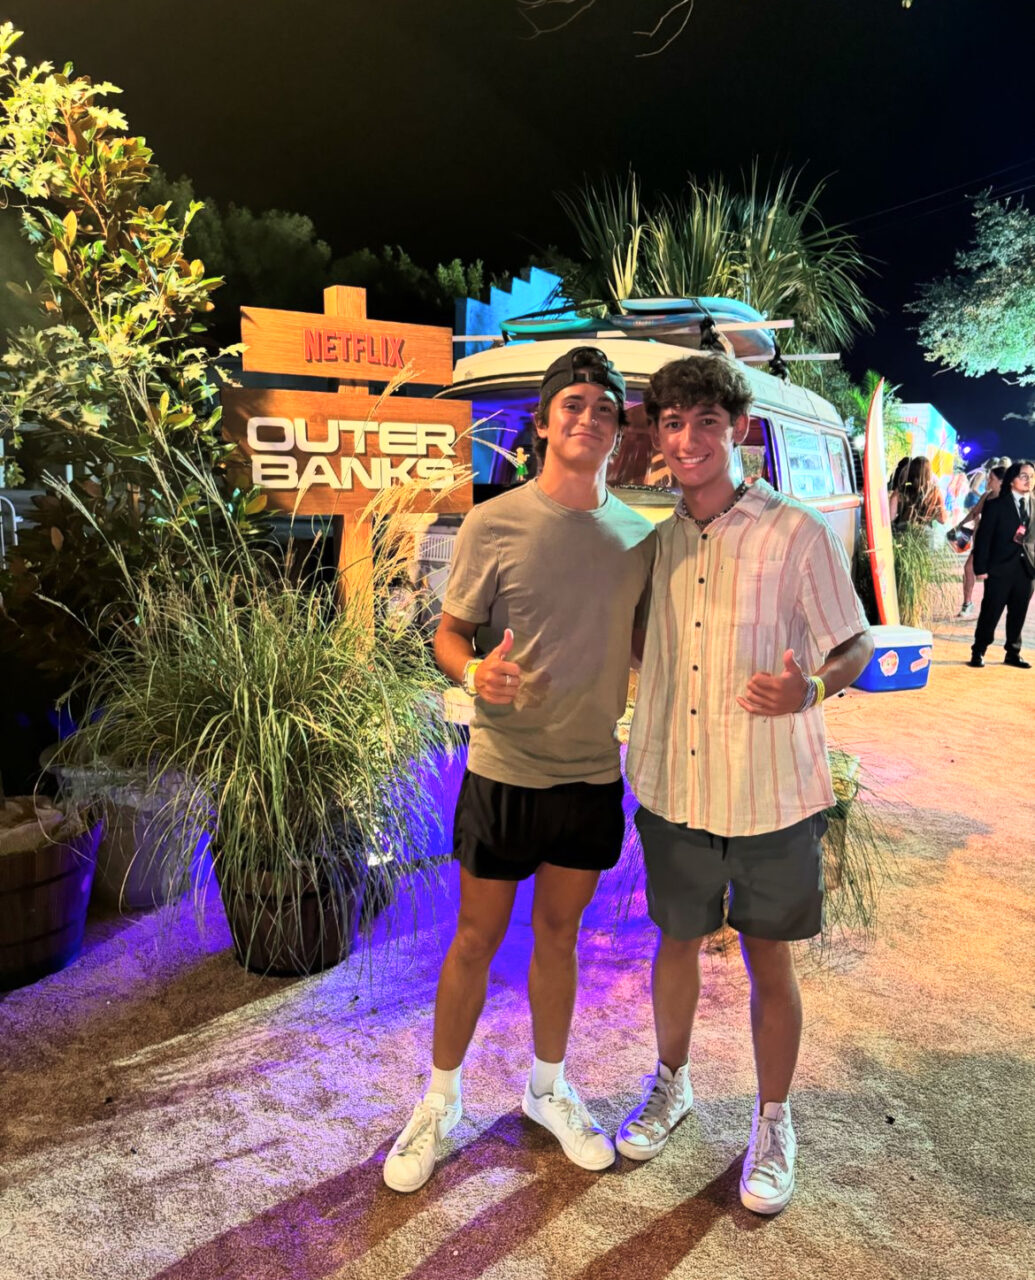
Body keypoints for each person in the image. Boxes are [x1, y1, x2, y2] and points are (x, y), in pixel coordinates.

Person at [383, 346, 655, 1193]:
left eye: (603, 409)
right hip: (503, 769)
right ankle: (441, 1098)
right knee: (474, 937)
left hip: (587, 774)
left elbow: (648, 645)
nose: (587, 419)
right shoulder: (491, 523)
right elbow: (447, 636)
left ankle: (546, 1089)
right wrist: (472, 673)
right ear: (543, 423)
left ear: (618, 431)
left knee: (560, 936)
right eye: (572, 405)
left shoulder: (638, 538)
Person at [619, 355, 873, 1215]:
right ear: (654, 434)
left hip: (768, 789)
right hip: (675, 787)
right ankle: (671, 1084)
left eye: (705, 422)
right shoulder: (648, 540)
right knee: (676, 943)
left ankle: (773, 1119)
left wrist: (811, 689)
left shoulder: (793, 533)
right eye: (671, 422)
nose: (687, 440)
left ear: (737, 429)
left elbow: (855, 644)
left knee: (771, 959)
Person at [968, 460, 1035, 669]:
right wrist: (981, 568)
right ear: (1012, 480)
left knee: (1018, 613)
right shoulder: (996, 505)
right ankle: (979, 650)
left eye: (1032, 476)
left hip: (1026, 570)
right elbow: (984, 539)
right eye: (1023, 476)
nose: (1028, 480)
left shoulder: (1034, 504)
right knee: (991, 611)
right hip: (999, 569)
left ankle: (1013, 652)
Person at [957, 466, 1004, 617]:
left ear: (1001, 481)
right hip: (982, 541)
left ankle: (990, 608)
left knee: (992, 578)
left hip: (998, 544)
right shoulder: (987, 496)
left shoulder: (1008, 500)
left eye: (992, 479)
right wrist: (961, 524)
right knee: (968, 568)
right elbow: (975, 512)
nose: (988, 481)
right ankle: (967, 603)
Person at [892, 456, 949, 529]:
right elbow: (943, 520)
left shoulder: (903, 490)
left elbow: (890, 519)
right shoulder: (934, 493)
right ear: (929, 474)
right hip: (919, 534)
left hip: (901, 530)